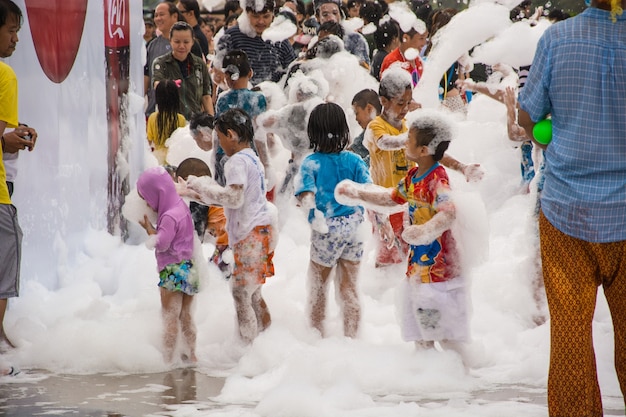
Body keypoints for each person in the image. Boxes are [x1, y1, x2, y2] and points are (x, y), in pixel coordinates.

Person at [516, 0, 626, 415]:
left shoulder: (558, 39)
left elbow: (528, 117)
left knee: (570, 337)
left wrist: (548, 133)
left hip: (567, 213)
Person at [336, 111, 468, 350]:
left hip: (438, 271)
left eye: (410, 139)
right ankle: (433, 374)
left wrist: (424, 231)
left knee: (441, 333)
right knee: (421, 329)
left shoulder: (437, 178)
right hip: (419, 267)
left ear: (424, 150)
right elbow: (391, 198)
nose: (405, 141)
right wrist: (358, 194)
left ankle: (455, 374)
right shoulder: (413, 176)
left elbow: (449, 212)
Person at [178, 108, 276, 343]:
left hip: (250, 235)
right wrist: (195, 191)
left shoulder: (236, 162)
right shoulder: (251, 157)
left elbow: (233, 198)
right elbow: (227, 198)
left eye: (219, 137)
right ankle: (269, 341)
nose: (218, 143)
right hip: (262, 231)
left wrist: (202, 187)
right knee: (253, 293)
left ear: (231, 135)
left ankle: (248, 347)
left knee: (241, 292)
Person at [294, 103, 371, 338]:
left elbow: (305, 196)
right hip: (354, 229)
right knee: (349, 289)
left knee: (318, 287)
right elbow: (368, 191)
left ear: (313, 133)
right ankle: (352, 338)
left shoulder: (311, 162)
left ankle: (316, 336)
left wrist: (311, 214)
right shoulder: (355, 161)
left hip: (326, 230)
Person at [0, 0, 38, 358]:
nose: (15, 40)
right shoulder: (4, 75)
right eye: (11, 31)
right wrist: (6, 139)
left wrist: (13, 133)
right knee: (6, 257)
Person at [137, 166, 198, 364]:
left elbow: (162, 243)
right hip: (190, 268)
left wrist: (150, 231)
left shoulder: (169, 216)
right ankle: (191, 354)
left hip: (172, 270)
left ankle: (168, 359)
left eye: (147, 198)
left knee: (169, 317)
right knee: (186, 316)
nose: (147, 203)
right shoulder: (180, 206)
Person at [216, 0, 297, 85]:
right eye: (256, 16)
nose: (261, 21)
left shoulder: (280, 39)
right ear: (247, 14)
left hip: (272, 94)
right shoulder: (231, 37)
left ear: (272, 16)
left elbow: (293, 71)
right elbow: (219, 71)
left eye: (266, 17)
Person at [175, 158, 231, 279]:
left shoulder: (198, 200)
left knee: (222, 269)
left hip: (228, 237)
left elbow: (196, 235)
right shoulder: (212, 190)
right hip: (233, 233)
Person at [152, 21, 215, 119]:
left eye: (186, 42)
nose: (181, 46)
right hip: (171, 121)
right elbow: (157, 85)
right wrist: (168, 85)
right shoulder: (161, 63)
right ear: (170, 41)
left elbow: (206, 95)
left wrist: (211, 120)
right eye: (177, 42)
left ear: (192, 42)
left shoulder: (199, 64)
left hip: (194, 123)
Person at [313, 0, 370, 67]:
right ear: (317, 17)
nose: (331, 18)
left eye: (335, 13)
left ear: (341, 14)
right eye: (325, 15)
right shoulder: (314, 41)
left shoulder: (355, 39)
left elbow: (364, 70)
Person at [379, 12, 427, 84]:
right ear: (406, 38)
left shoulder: (418, 60)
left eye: (425, 39)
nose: (424, 43)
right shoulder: (392, 62)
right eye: (421, 39)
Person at [146, 80, 187, 165]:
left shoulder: (153, 118)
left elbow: (148, 142)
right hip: (175, 159)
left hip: (158, 159)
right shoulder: (180, 119)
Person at [350, 88, 382, 165]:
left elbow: (376, 160)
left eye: (357, 113)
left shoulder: (381, 131)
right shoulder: (368, 131)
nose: (356, 118)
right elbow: (355, 148)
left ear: (369, 109)